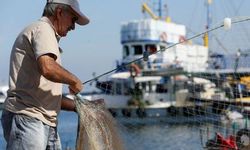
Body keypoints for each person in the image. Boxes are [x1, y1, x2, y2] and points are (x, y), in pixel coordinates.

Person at [1, 0, 89, 149]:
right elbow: (47, 68)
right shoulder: (43, 29)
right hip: (29, 119)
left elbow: (46, 95)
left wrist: (77, 106)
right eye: (73, 19)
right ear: (59, 12)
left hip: (42, 121)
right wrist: (74, 81)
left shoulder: (47, 36)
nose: (73, 26)